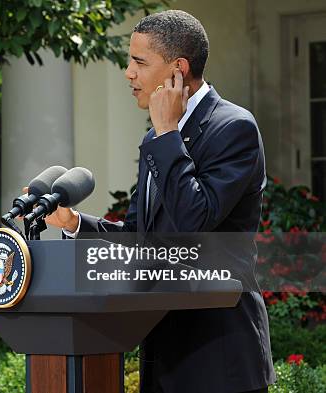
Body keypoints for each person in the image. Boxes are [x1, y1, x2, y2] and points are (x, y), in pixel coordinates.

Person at [46, 10, 275, 393]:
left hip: (218, 360)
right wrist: (74, 224)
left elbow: (193, 223)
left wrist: (168, 132)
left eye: (139, 61)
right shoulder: (157, 137)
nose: (128, 73)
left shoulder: (233, 127)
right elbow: (142, 238)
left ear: (177, 70)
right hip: (162, 356)